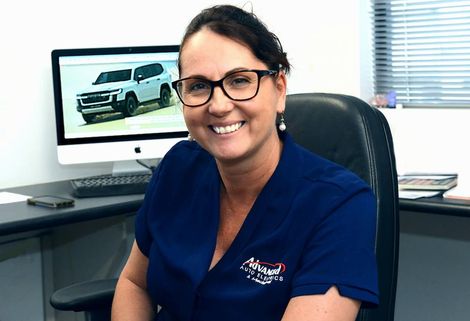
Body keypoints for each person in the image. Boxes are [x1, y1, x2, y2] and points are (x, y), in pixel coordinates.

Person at [112, 4, 378, 321]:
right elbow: (134, 282)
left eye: (239, 80)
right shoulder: (177, 169)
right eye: (198, 86)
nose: (219, 105)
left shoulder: (339, 205)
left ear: (279, 89)